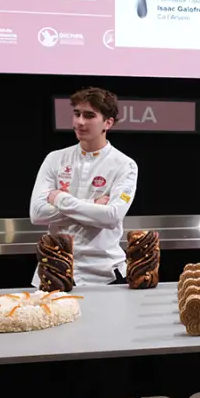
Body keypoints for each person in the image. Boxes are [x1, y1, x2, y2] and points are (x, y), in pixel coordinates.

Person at [29, 87, 138, 286]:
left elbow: (112, 216)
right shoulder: (55, 158)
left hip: (104, 273)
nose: (80, 122)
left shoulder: (125, 165)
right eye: (77, 114)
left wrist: (61, 199)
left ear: (108, 122)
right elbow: (37, 214)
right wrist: (92, 205)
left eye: (89, 116)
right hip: (53, 270)